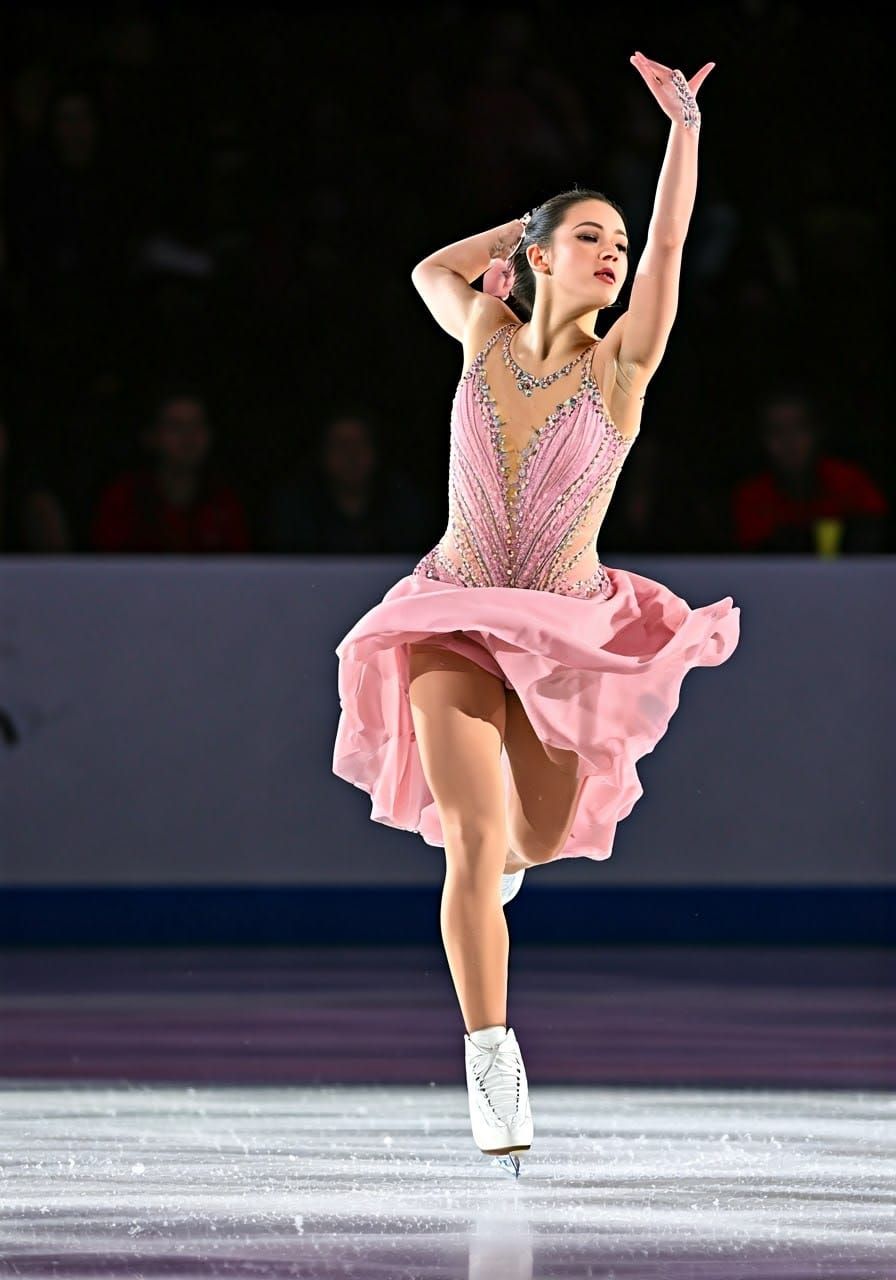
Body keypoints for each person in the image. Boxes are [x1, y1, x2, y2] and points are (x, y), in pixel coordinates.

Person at [332, 51, 740, 1177]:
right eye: (588, 237)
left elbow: (668, 246)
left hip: (559, 637)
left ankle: (507, 866)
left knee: (533, 834)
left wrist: (683, 130)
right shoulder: (479, 338)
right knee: (469, 835)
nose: (613, 253)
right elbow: (427, 268)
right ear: (541, 255)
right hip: (453, 610)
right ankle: (490, 1052)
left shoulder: (621, 372)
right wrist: (516, 228)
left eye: (615, 243)